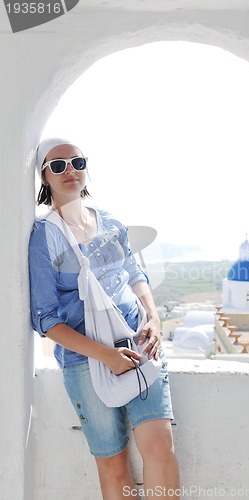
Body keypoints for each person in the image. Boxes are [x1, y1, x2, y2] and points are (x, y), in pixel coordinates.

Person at [29, 137, 180, 500]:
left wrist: (154, 321)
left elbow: (135, 275)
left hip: (137, 343)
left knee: (160, 446)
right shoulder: (43, 236)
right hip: (85, 362)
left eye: (77, 163)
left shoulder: (111, 222)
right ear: (44, 178)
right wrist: (105, 355)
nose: (70, 171)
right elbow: (46, 320)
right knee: (113, 465)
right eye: (58, 165)